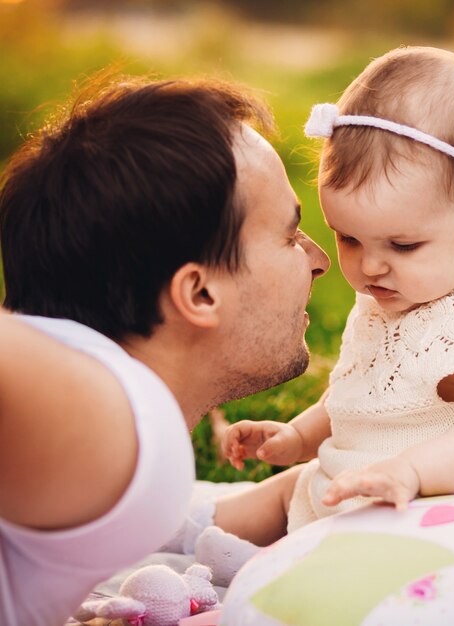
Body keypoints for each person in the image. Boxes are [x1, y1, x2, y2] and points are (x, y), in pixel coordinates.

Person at [203, 46, 454, 558]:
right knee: (301, 485)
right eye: (348, 239)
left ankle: (245, 558)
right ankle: (188, 531)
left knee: (342, 521)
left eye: (403, 245)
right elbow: (364, 391)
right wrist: (297, 435)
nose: (369, 267)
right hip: (385, 483)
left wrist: (413, 471)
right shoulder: (393, 290)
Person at [0, 76, 329, 626]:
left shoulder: (112, 434)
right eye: (290, 236)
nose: (318, 260)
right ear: (199, 293)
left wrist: (306, 489)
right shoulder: (110, 408)